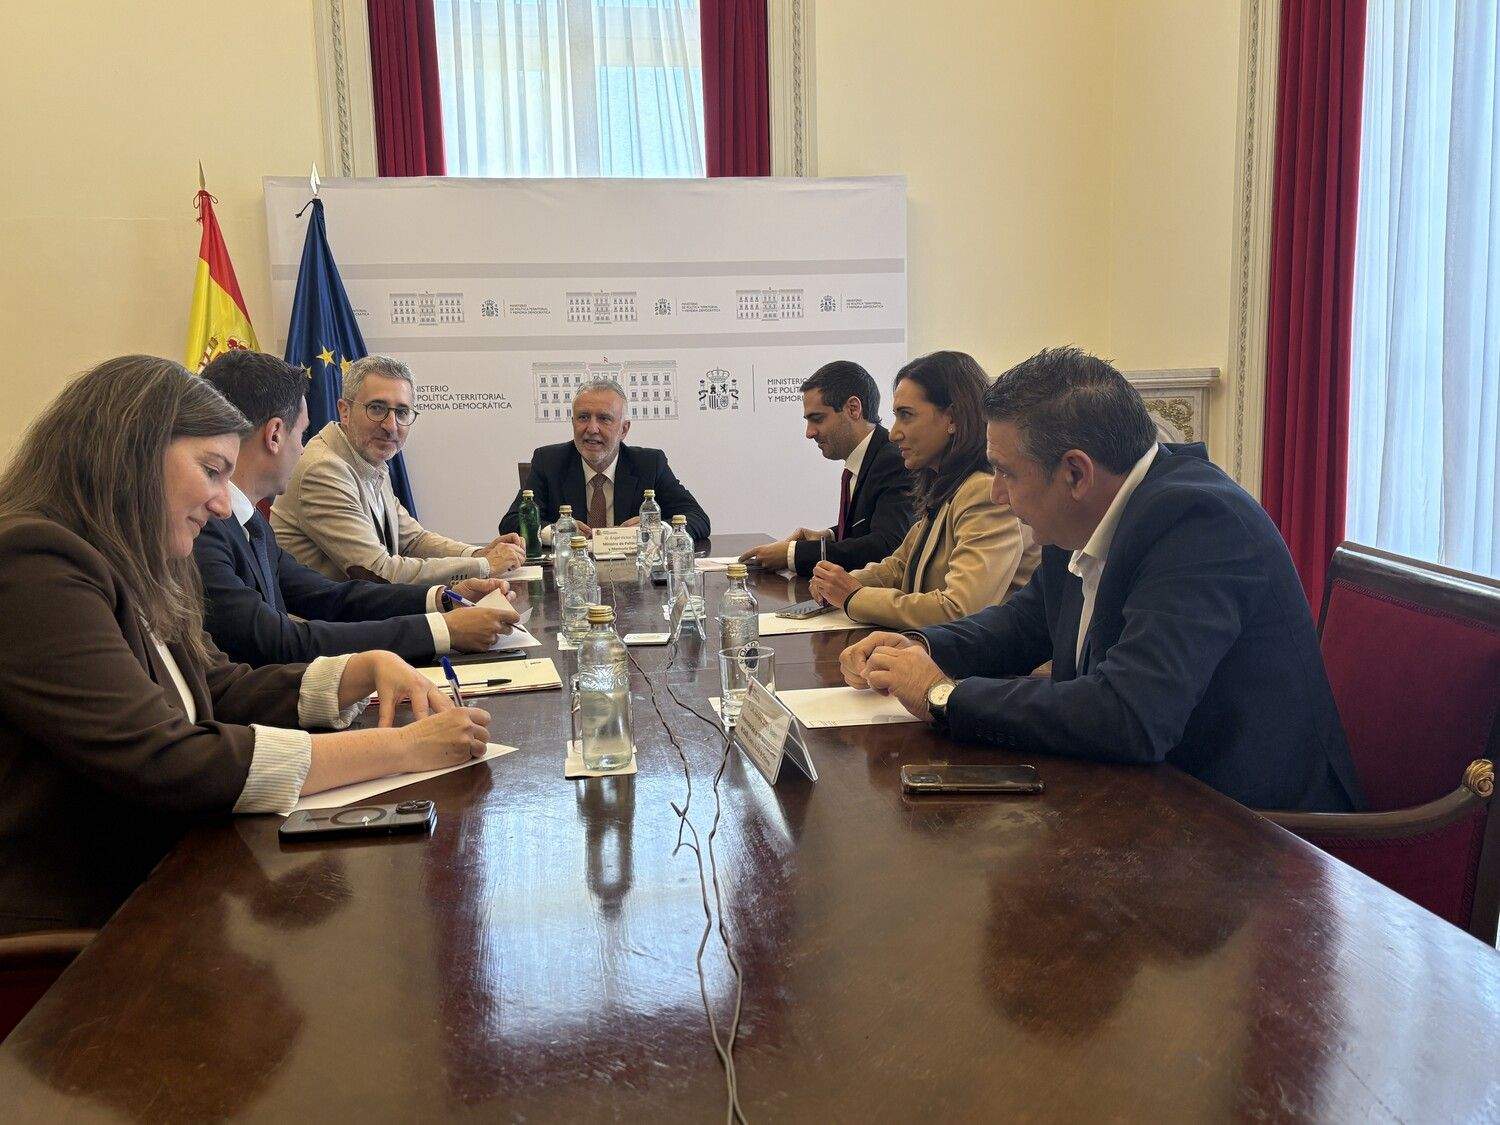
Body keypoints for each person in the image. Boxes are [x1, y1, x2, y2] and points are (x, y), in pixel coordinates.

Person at [0, 356, 493, 935]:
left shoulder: (131, 554)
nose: (219, 503)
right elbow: (162, 756)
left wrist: (355, 672)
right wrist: (402, 749)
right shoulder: (36, 561)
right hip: (79, 940)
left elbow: (212, 686)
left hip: (172, 890)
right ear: (130, 454)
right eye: (211, 471)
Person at [839, 346, 1364, 812]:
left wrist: (942, 697)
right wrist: (917, 646)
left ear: (1075, 473)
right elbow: (1022, 626)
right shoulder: (1084, 518)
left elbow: (1130, 713)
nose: (997, 494)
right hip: (1153, 804)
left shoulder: (1200, 522)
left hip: (1260, 839)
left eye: (1007, 473)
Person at [196, 351, 520, 667]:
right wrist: (443, 628)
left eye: (402, 412)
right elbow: (279, 641)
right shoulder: (207, 527)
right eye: (301, 433)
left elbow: (335, 595)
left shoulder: (253, 523)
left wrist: (443, 598)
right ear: (276, 435)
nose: (391, 425)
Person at [807, 351, 1037, 628]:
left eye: (906, 415)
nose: (893, 433)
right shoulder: (947, 486)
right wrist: (842, 582)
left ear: (952, 418)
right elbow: (901, 566)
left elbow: (960, 610)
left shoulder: (983, 492)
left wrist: (852, 595)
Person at [272, 355, 524, 583]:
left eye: (402, 412)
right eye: (377, 408)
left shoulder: (368, 458)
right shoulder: (323, 469)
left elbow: (413, 540)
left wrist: (478, 553)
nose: (391, 425)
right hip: (326, 627)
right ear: (345, 411)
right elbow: (378, 571)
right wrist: (483, 566)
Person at [738, 360, 914, 576]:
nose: (809, 432)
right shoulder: (867, 458)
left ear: (853, 409)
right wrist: (830, 536)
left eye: (817, 419)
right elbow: (866, 527)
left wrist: (793, 553)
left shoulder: (892, 461)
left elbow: (886, 546)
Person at [499, 377, 710, 545]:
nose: (591, 429)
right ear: (573, 423)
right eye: (583, 417)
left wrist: (656, 529)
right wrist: (556, 532)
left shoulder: (649, 464)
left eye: (604, 418)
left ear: (624, 429)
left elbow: (698, 518)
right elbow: (511, 523)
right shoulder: (549, 462)